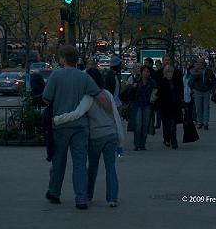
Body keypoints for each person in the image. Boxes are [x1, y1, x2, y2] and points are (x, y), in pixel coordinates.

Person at [42, 45, 111, 210]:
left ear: (63, 59)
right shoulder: (84, 77)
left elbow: (46, 98)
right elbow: (100, 95)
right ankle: (81, 198)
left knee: (59, 161)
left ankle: (54, 192)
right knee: (80, 162)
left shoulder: (56, 75)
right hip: (80, 126)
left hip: (60, 125)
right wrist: (110, 114)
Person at [53, 67, 124, 208]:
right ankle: (112, 198)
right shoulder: (107, 94)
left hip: (96, 137)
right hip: (111, 135)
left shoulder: (88, 97)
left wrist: (57, 119)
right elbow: (117, 118)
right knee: (111, 168)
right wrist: (120, 141)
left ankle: (88, 194)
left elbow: (77, 113)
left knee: (92, 168)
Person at [125, 65, 157, 151]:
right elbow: (130, 93)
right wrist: (133, 87)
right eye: (144, 71)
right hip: (137, 104)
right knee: (138, 124)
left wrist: (154, 99)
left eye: (148, 72)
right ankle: (136, 143)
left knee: (145, 125)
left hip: (148, 105)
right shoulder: (137, 81)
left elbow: (155, 93)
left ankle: (142, 143)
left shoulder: (152, 82)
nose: (146, 73)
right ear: (142, 72)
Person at [157, 65, 183, 149]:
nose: (170, 73)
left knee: (172, 124)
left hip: (174, 106)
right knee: (166, 124)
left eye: (171, 72)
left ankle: (173, 141)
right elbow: (160, 95)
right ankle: (166, 139)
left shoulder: (175, 81)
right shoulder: (162, 82)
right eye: (168, 72)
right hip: (165, 107)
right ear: (165, 73)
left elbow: (179, 93)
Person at [192, 58, 216, 130]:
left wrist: (212, 88)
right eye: (199, 62)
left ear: (204, 63)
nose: (200, 64)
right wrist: (197, 71)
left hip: (206, 90)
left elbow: (214, 80)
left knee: (206, 107)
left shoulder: (209, 70)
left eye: (202, 62)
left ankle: (206, 123)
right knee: (198, 107)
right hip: (197, 90)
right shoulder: (195, 70)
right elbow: (192, 79)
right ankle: (200, 122)